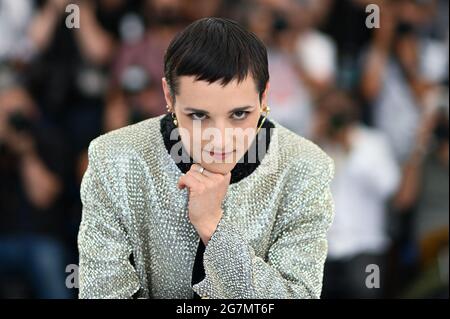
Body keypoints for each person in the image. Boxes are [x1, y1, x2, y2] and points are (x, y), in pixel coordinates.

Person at [78, 17, 335, 299]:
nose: (220, 138)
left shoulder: (304, 167)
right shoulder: (115, 160)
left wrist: (213, 226)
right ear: (169, 96)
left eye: (239, 114)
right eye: (199, 115)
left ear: (264, 98)